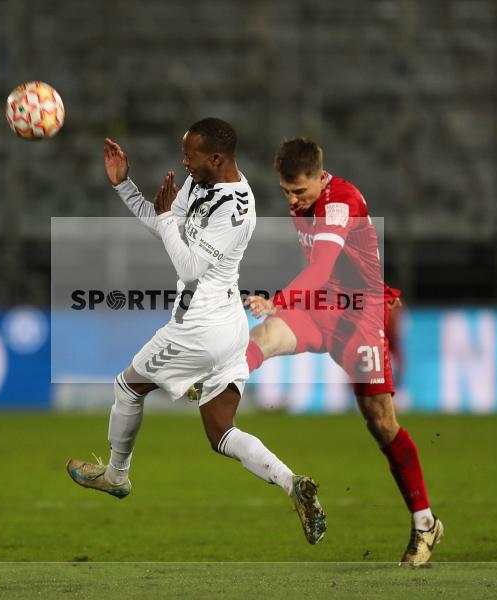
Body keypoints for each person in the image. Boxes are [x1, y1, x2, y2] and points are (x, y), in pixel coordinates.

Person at [66, 119, 326, 545]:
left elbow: (188, 265)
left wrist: (170, 219)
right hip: (229, 327)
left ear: (217, 158)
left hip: (198, 328)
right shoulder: (199, 184)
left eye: (191, 156)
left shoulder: (237, 208)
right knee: (221, 430)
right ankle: (291, 481)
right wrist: (124, 186)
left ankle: (116, 475)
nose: (184, 162)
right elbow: (165, 226)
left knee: (127, 387)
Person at [243, 138, 442, 565]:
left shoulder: (341, 201)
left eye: (300, 191)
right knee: (262, 338)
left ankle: (426, 523)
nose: (293, 200)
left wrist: (279, 298)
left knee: (381, 422)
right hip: (323, 307)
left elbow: (319, 269)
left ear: (320, 175)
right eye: (286, 192)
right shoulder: (304, 201)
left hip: (360, 315)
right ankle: (218, 381)